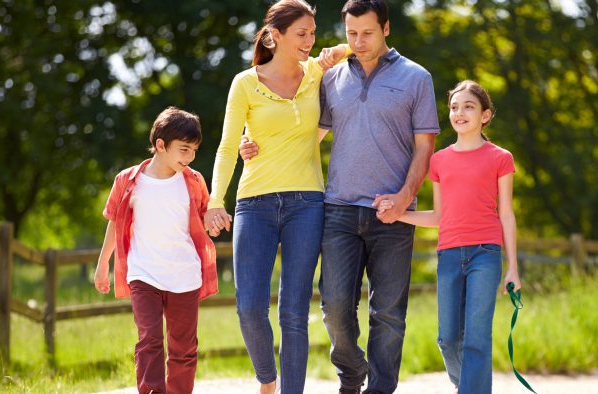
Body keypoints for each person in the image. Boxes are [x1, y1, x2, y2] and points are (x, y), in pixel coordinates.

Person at [239, 1, 439, 392]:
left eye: (367, 32)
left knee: (388, 313)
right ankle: (352, 372)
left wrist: (404, 197)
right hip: (338, 209)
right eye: (351, 34)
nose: (359, 41)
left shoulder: (417, 78)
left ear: (386, 29)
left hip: (393, 214)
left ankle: (380, 388)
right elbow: (306, 134)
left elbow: (424, 148)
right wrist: (257, 145)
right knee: (332, 307)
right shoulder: (330, 79)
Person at [203, 0, 348, 393]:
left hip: (308, 203)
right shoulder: (245, 83)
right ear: (275, 36)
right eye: (301, 34)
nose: (309, 41)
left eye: (313, 34)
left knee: (294, 312)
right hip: (255, 203)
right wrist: (216, 199)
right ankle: (267, 380)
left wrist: (336, 50)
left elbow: (365, 40)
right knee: (249, 307)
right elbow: (227, 147)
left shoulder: (317, 73)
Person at [374, 80, 522, 394]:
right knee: (448, 338)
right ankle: (465, 384)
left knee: (476, 337)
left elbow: (506, 214)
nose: (459, 112)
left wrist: (513, 268)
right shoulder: (439, 160)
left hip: (485, 253)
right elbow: (438, 217)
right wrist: (396, 212)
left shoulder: (500, 158)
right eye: (454, 107)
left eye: (468, 106)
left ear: (485, 115)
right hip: (450, 254)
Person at [93, 107, 218, 394]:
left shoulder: (194, 181)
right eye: (183, 150)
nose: (189, 158)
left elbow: (205, 218)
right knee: (149, 339)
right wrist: (103, 265)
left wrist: (214, 221)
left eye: (194, 151)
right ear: (160, 145)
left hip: (184, 275)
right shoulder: (128, 181)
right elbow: (115, 222)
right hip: (143, 273)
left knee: (184, 348)